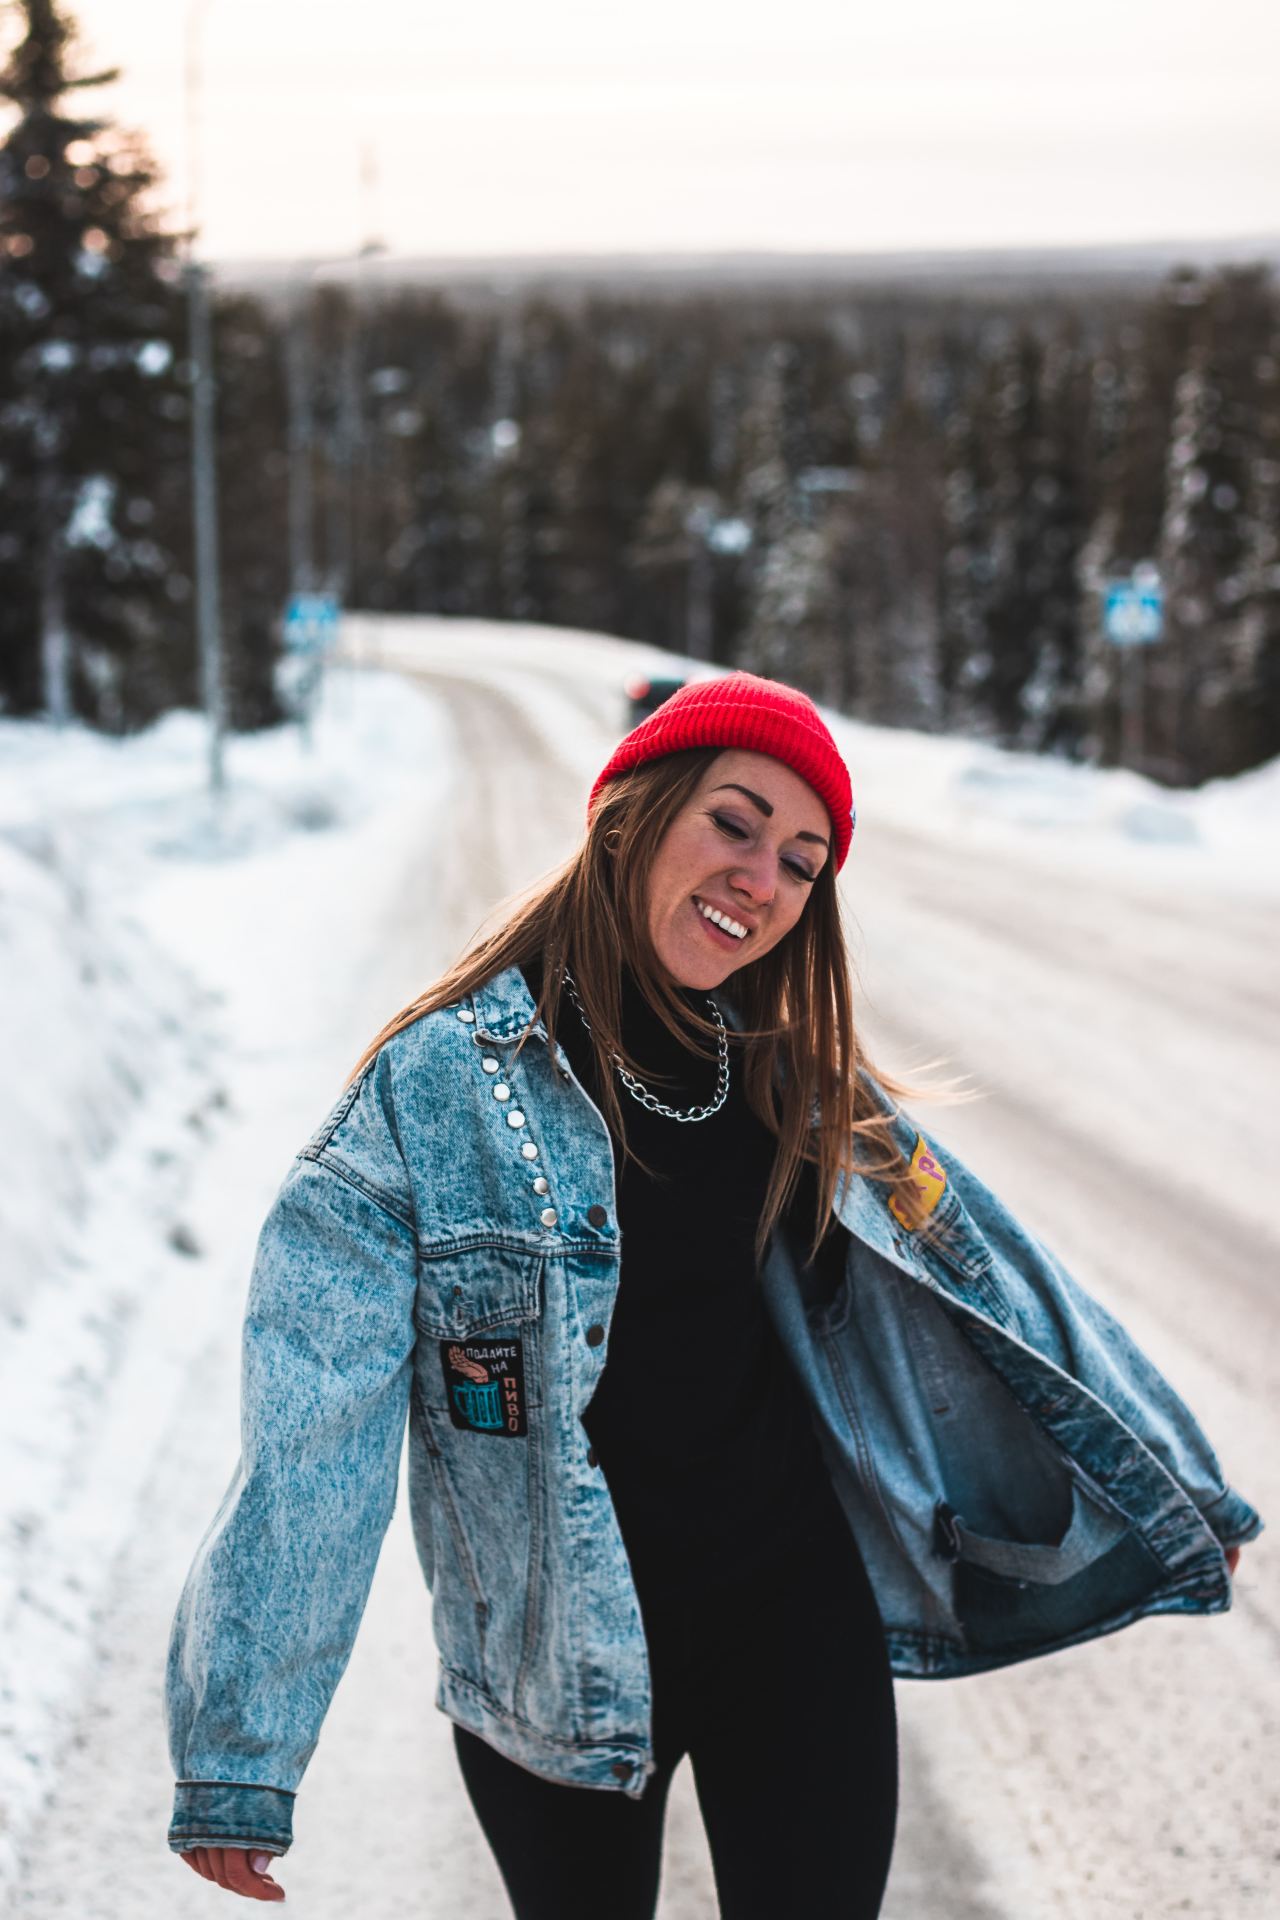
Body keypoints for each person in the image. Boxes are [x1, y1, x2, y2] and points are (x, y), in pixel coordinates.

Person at [166, 671, 1260, 1914]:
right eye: (735, 824)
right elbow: (313, 1430)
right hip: (555, 1673)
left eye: (802, 862)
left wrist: (1157, 1470)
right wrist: (240, 1756)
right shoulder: (433, 1095)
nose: (763, 879)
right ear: (633, 813)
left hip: (796, 1628)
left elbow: (997, 1284)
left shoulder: (798, 1086)